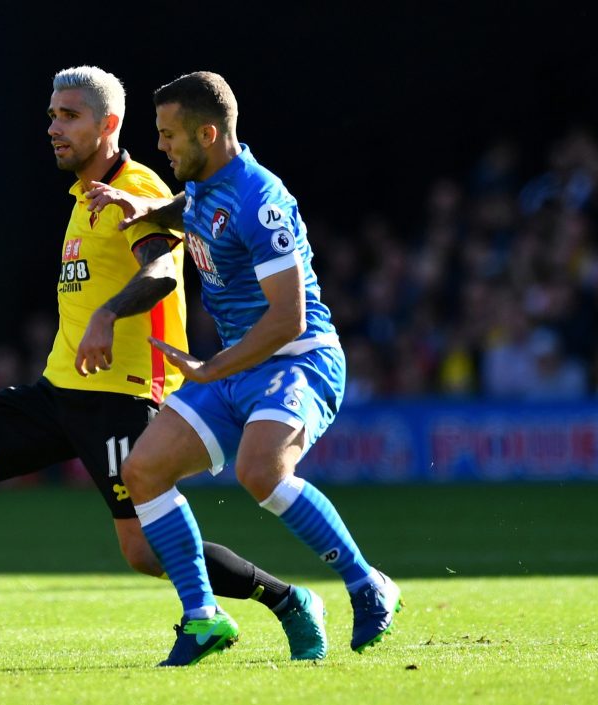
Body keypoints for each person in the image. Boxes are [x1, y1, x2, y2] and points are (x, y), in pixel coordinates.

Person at [0, 66, 328, 663]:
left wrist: (107, 315)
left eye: (69, 116)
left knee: (143, 552)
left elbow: (159, 271)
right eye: (51, 115)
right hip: (58, 393)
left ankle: (287, 600)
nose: (53, 127)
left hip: (124, 396)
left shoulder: (143, 187)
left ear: (108, 125)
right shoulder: (84, 196)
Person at [85, 71, 402, 667]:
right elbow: (198, 210)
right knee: (144, 471)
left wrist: (210, 369)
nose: (162, 146)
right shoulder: (207, 182)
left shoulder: (262, 200)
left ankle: (367, 583)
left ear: (208, 132)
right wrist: (150, 208)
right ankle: (203, 617)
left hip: (298, 359)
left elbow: (288, 319)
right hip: (237, 364)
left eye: (170, 135)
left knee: (261, 471)